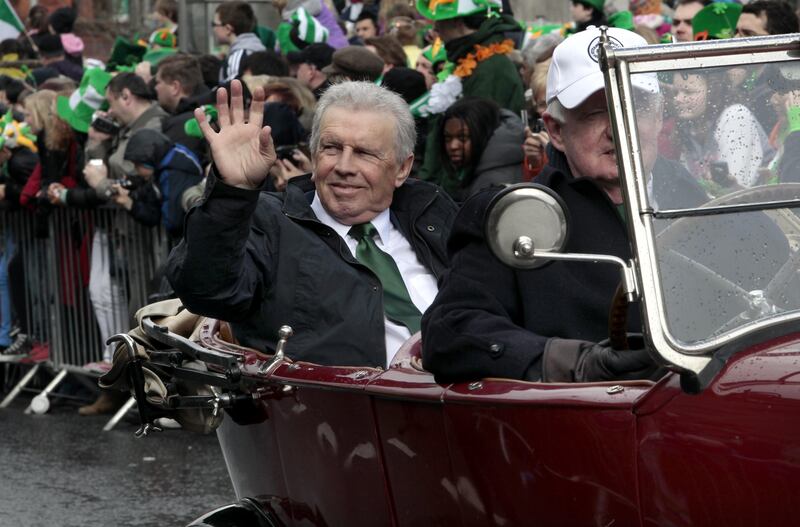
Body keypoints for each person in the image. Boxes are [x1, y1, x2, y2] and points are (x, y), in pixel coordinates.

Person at [421, 27, 704, 384]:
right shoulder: (509, 217)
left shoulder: (709, 203)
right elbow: (451, 330)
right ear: (555, 130)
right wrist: (568, 362)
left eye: (635, 106)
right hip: (588, 423)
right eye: (594, 113)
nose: (617, 128)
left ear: (660, 116)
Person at [167, 80, 457, 368]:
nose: (344, 167)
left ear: (402, 168)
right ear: (313, 153)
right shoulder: (267, 222)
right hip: (334, 409)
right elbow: (208, 293)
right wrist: (232, 193)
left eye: (364, 153)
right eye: (331, 148)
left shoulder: (435, 215)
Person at [670, 69, 769, 191]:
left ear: (713, 91)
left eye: (689, 92)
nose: (678, 99)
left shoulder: (736, 116)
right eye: (675, 92)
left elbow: (734, 188)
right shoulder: (688, 128)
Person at [438, 97, 525, 201]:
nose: (453, 146)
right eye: (448, 138)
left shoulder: (492, 184)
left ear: (483, 134)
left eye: (462, 137)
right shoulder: (483, 170)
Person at [154, 53, 211, 159]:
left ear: (175, 87)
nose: (155, 88)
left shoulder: (182, 127)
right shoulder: (211, 111)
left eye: (158, 82)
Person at [214, 1, 266, 84]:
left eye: (215, 24)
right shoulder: (258, 49)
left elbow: (230, 88)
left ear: (228, 29)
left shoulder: (239, 56)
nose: (214, 29)